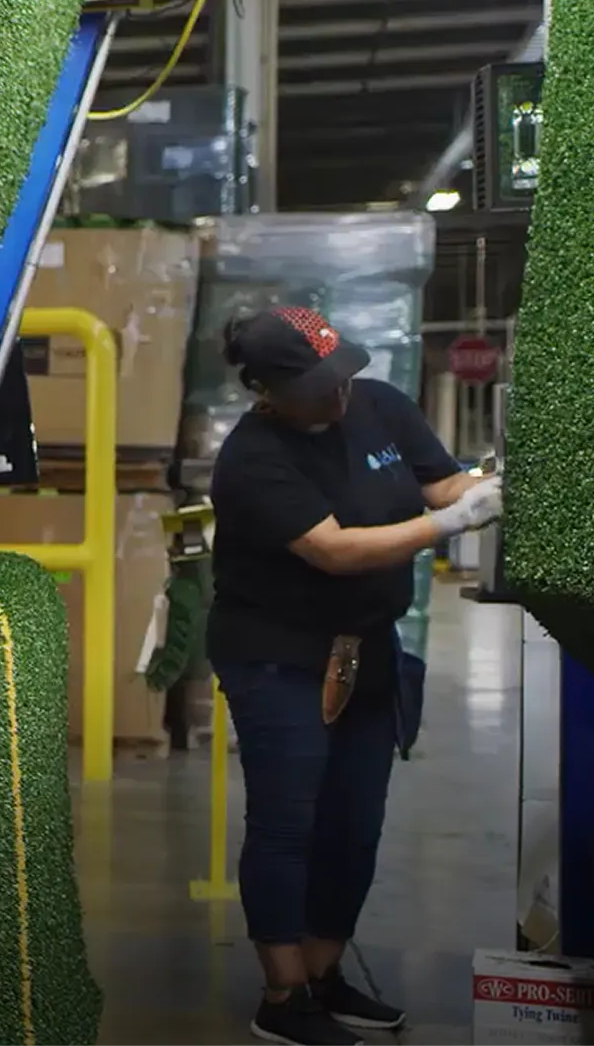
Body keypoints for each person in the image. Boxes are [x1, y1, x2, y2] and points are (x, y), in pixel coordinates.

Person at [207, 306, 503, 1046]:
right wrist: (450, 528)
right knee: (287, 822)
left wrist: (485, 490)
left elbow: (438, 483)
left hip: (366, 648)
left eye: (344, 376)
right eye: (320, 385)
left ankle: (322, 974)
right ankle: (281, 998)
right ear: (266, 389)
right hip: (278, 653)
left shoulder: (378, 406)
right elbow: (335, 550)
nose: (341, 395)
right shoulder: (253, 458)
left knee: (355, 824)